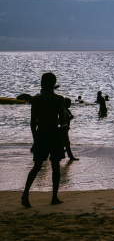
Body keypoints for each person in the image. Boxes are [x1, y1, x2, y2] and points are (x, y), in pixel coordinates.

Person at [22, 72, 66, 208]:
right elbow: (62, 121)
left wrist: (35, 138)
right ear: (54, 84)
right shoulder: (59, 99)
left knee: (37, 166)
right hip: (54, 134)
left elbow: (33, 122)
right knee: (55, 167)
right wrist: (64, 134)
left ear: (42, 83)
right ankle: (54, 197)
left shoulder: (36, 100)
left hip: (41, 134)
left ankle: (25, 194)